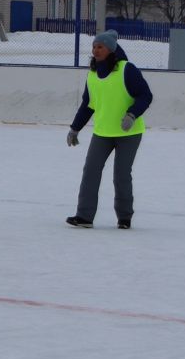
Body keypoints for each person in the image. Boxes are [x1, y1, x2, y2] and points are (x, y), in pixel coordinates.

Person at [65, 29, 152, 229]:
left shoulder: (127, 69)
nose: (95, 50)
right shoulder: (93, 74)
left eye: (100, 47)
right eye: (94, 47)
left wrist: (132, 114)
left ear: (111, 50)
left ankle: (124, 217)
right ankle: (84, 216)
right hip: (102, 132)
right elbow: (88, 104)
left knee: (121, 174)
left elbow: (145, 95)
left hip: (128, 133)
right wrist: (75, 129)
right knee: (90, 171)